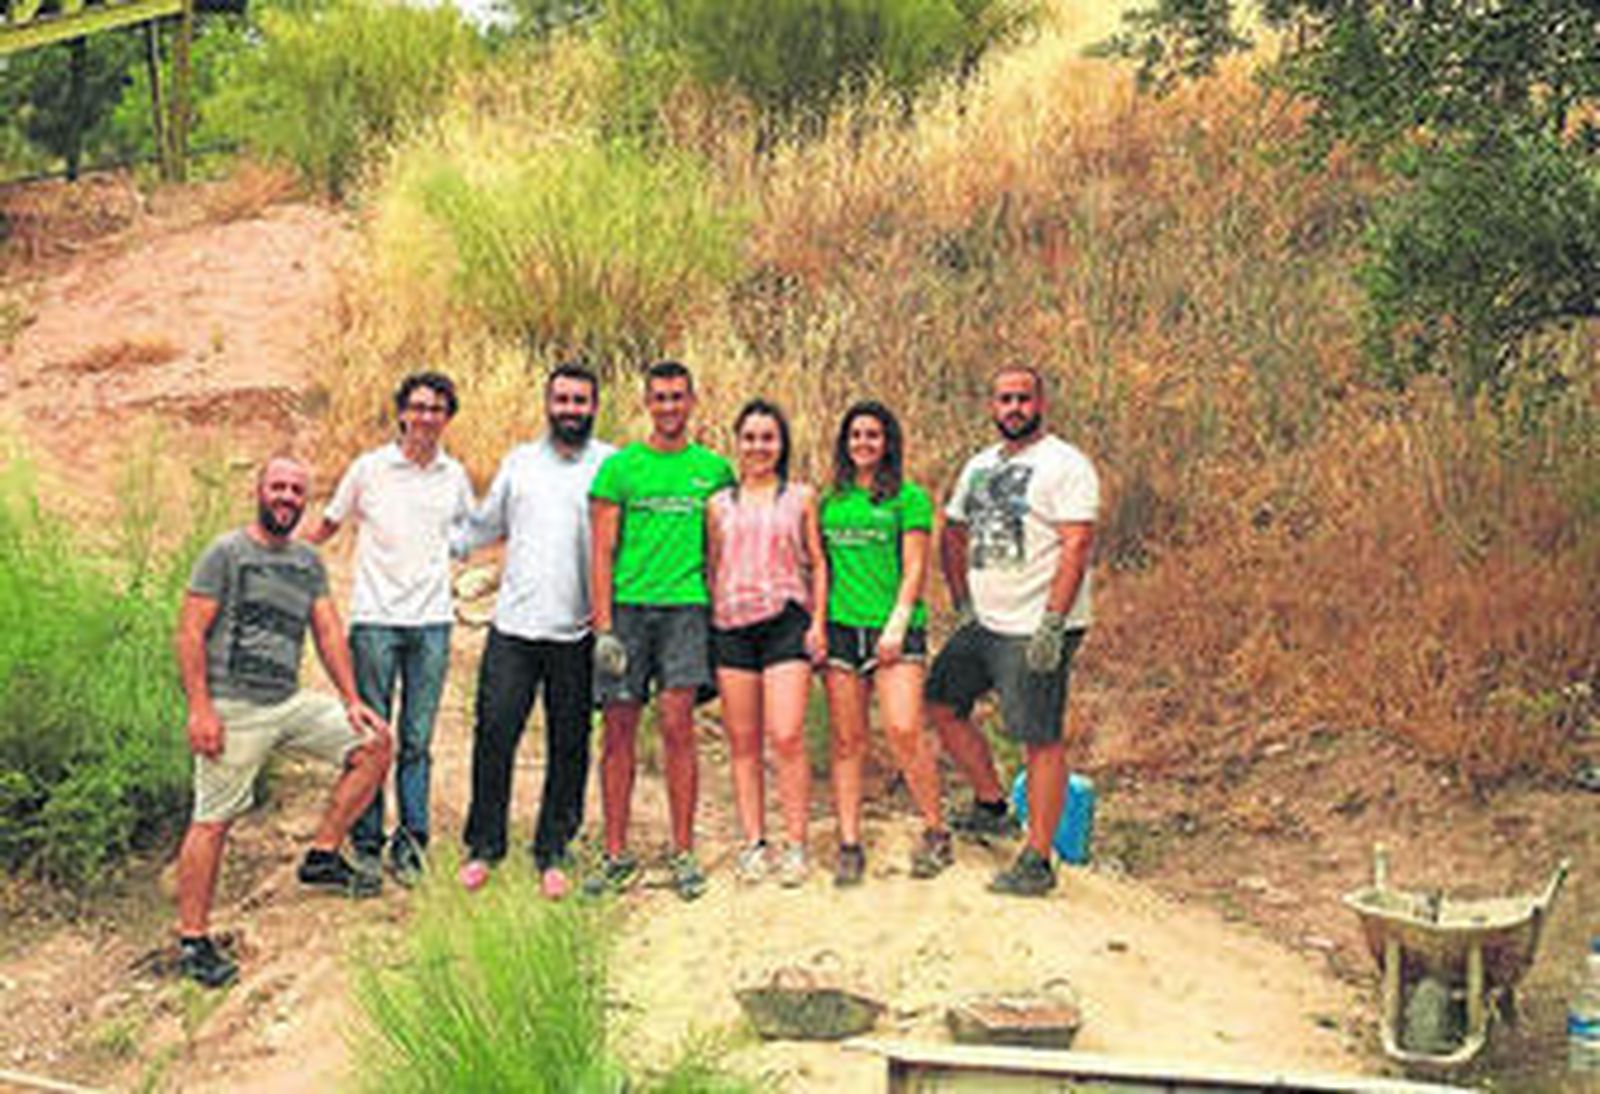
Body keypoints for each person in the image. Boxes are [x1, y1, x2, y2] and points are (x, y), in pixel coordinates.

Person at [173, 457, 393, 988]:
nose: (287, 497)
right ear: (259, 490)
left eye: (297, 490)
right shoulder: (225, 553)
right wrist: (201, 708)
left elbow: (328, 631)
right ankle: (193, 939)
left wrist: (351, 699)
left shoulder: (306, 562)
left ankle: (322, 856)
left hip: (286, 701)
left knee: (376, 742)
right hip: (233, 708)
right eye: (279, 487)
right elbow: (189, 634)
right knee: (213, 821)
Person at [925, 366, 1099, 896]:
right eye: (1005, 399)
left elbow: (1077, 543)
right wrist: (961, 600)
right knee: (941, 702)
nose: (1014, 407)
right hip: (986, 619)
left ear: (1041, 402)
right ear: (991, 405)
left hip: (1035, 625)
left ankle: (1038, 860)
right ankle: (991, 804)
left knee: (1037, 735)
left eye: (1023, 398)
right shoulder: (979, 466)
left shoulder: (1065, 465)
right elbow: (953, 530)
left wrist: (1053, 621)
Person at [304, 372, 473, 885]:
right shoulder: (368, 470)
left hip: (432, 624)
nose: (426, 417)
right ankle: (368, 841)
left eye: (437, 408)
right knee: (374, 736)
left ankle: (413, 840)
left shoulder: (454, 476)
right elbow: (327, 527)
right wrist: (275, 556)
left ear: (447, 417)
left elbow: (469, 539)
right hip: (375, 620)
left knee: (418, 738)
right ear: (402, 412)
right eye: (417, 407)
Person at [453, 363, 614, 898]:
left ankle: (554, 849)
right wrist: (434, 533)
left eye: (581, 401)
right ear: (548, 405)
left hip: (579, 629)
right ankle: (484, 846)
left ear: (594, 406)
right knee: (494, 733)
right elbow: (485, 525)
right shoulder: (519, 463)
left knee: (570, 744)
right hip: (514, 628)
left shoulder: (611, 465)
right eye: (562, 400)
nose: (571, 409)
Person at [589, 360, 734, 900]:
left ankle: (682, 851)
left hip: (686, 611)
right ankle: (615, 853)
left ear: (693, 400)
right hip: (629, 610)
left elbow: (718, 549)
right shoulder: (621, 469)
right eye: (660, 398)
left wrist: (719, 614)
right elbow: (601, 550)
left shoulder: (714, 470)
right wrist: (603, 626)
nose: (670, 406)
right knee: (619, 731)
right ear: (647, 403)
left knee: (678, 727)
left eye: (678, 397)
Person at [820, 401, 951, 886]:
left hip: (894, 626)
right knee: (848, 739)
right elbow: (823, 567)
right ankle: (849, 842)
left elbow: (916, 565)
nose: (863, 443)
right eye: (855, 435)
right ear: (844, 442)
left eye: (873, 435)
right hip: (841, 627)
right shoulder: (829, 501)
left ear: (888, 442)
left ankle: (936, 830)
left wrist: (896, 623)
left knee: (902, 728)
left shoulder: (908, 498)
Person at [706, 400, 827, 888]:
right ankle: (754, 842)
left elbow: (817, 562)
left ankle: (796, 843)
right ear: (738, 442)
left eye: (768, 437)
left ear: (782, 444)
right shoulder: (717, 504)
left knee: (787, 734)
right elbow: (713, 566)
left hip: (785, 622)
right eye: (751, 437)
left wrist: (817, 622)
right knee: (742, 742)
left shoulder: (799, 497)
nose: (759, 446)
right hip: (732, 625)